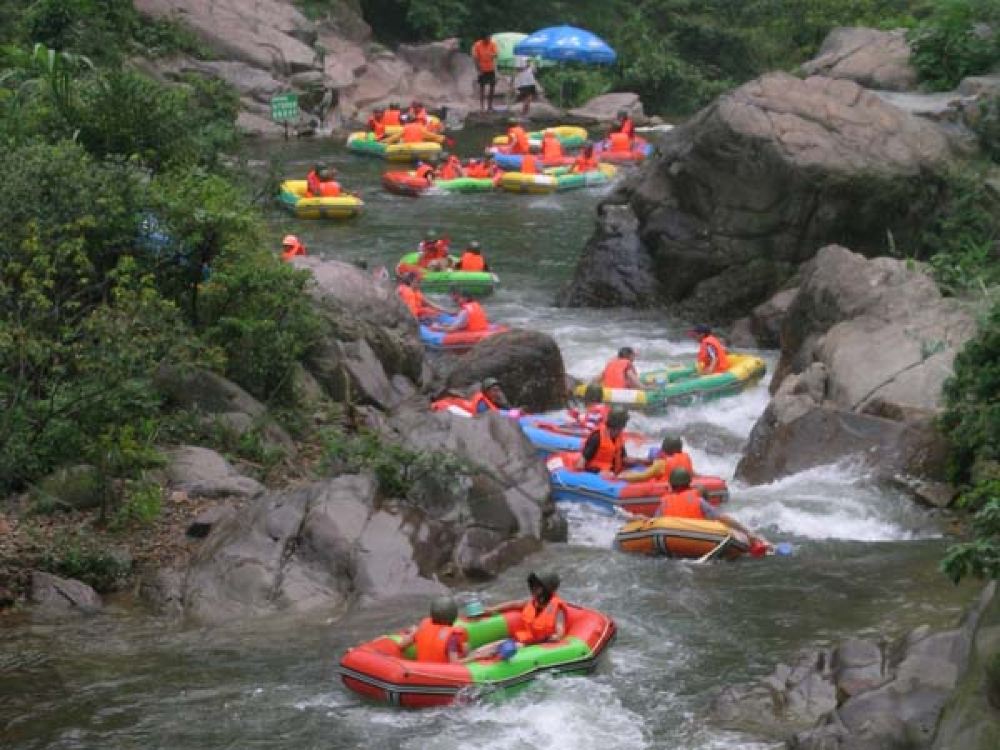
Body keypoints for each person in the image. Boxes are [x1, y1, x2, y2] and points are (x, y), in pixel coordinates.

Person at [466, 571, 567, 661]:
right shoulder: (533, 602)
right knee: (487, 649)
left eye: (538, 587)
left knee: (500, 650)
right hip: (524, 641)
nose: (534, 589)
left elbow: (560, 629)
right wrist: (492, 610)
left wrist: (557, 636)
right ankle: (469, 658)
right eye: (534, 586)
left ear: (546, 590)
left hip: (537, 645)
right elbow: (514, 604)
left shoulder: (557, 608)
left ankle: (468, 661)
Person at [659, 468, 768, 549]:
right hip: (698, 539)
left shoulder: (664, 503)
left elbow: (654, 522)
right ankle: (762, 542)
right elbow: (722, 518)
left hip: (671, 540)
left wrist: (642, 518)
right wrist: (747, 532)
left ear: (671, 485)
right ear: (689, 484)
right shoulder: (698, 501)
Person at [397, 596, 468, 663]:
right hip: (440, 672)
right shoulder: (452, 637)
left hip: (420, 668)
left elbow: (401, 646)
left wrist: (413, 633)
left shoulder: (422, 627)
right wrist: (472, 657)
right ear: (454, 616)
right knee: (465, 647)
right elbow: (454, 663)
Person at [619, 435, 694, 483]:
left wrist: (623, 476)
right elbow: (691, 473)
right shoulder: (686, 458)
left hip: (665, 488)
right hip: (681, 485)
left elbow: (642, 476)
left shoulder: (660, 463)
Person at [577, 407, 630, 474]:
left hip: (613, 475)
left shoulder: (618, 437)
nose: (623, 428)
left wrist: (641, 462)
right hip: (595, 473)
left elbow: (624, 458)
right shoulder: (597, 437)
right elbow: (581, 463)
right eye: (623, 425)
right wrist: (597, 473)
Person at [471, 33, 499, 112]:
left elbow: (496, 54)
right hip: (482, 69)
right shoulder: (477, 45)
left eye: (490, 38)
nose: (489, 39)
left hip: (491, 68)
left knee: (492, 87)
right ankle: (482, 107)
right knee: (482, 88)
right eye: (487, 38)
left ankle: (490, 106)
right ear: (483, 39)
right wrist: (478, 70)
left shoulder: (492, 44)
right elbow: (475, 58)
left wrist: (493, 55)